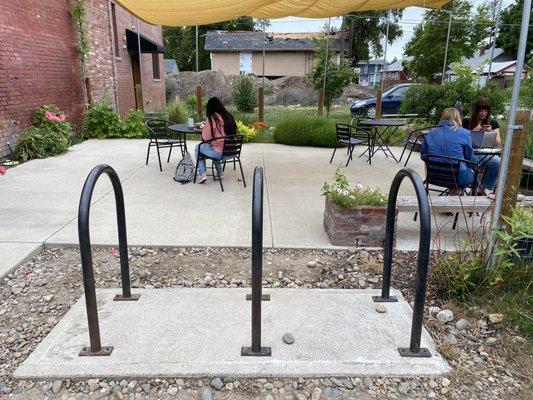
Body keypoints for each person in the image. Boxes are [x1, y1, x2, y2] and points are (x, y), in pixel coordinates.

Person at [421, 108, 477, 190]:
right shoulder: (465, 133)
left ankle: (453, 190)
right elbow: (469, 157)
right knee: (476, 168)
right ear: (458, 118)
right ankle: (477, 192)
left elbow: (423, 155)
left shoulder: (430, 133)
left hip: (433, 176)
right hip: (456, 178)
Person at [462, 98, 501, 193]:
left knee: (497, 161)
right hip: (469, 153)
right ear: (476, 111)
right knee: (475, 163)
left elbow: (498, 142)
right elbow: (461, 139)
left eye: (485, 111)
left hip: (485, 153)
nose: (483, 113)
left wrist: (491, 132)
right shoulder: (466, 122)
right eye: (481, 111)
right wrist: (474, 131)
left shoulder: (493, 123)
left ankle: (482, 188)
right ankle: (473, 185)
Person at [195, 97, 237, 184]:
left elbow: (206, 138)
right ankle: (220, 172)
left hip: (220, 153)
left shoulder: (212, 118)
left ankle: (202, 173)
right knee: (213, 147)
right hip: (232, 151)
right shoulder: (229, 116)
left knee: (198, 148)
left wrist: (204, 127)